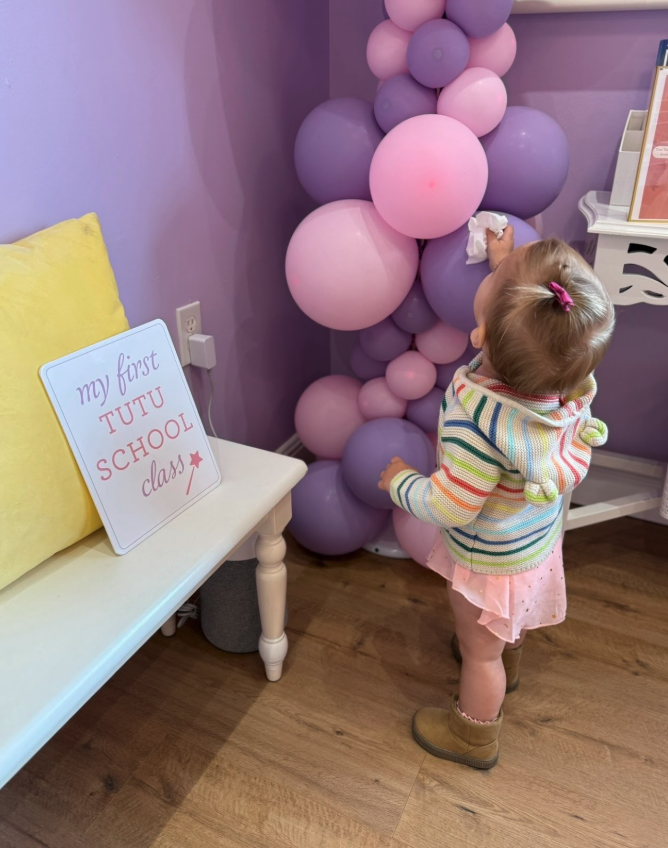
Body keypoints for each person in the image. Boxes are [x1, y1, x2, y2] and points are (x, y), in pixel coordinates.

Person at [379, 226, 615, 769]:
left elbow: (451, 505)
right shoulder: (567, 375)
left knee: (477, 650)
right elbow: (522, 316)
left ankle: (473, 735)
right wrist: (504, 264)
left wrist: (400, 483)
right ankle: (508, 662)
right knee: (503, 629)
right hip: (532, 541)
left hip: (489, 560)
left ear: (481, 334)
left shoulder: (477, 421)